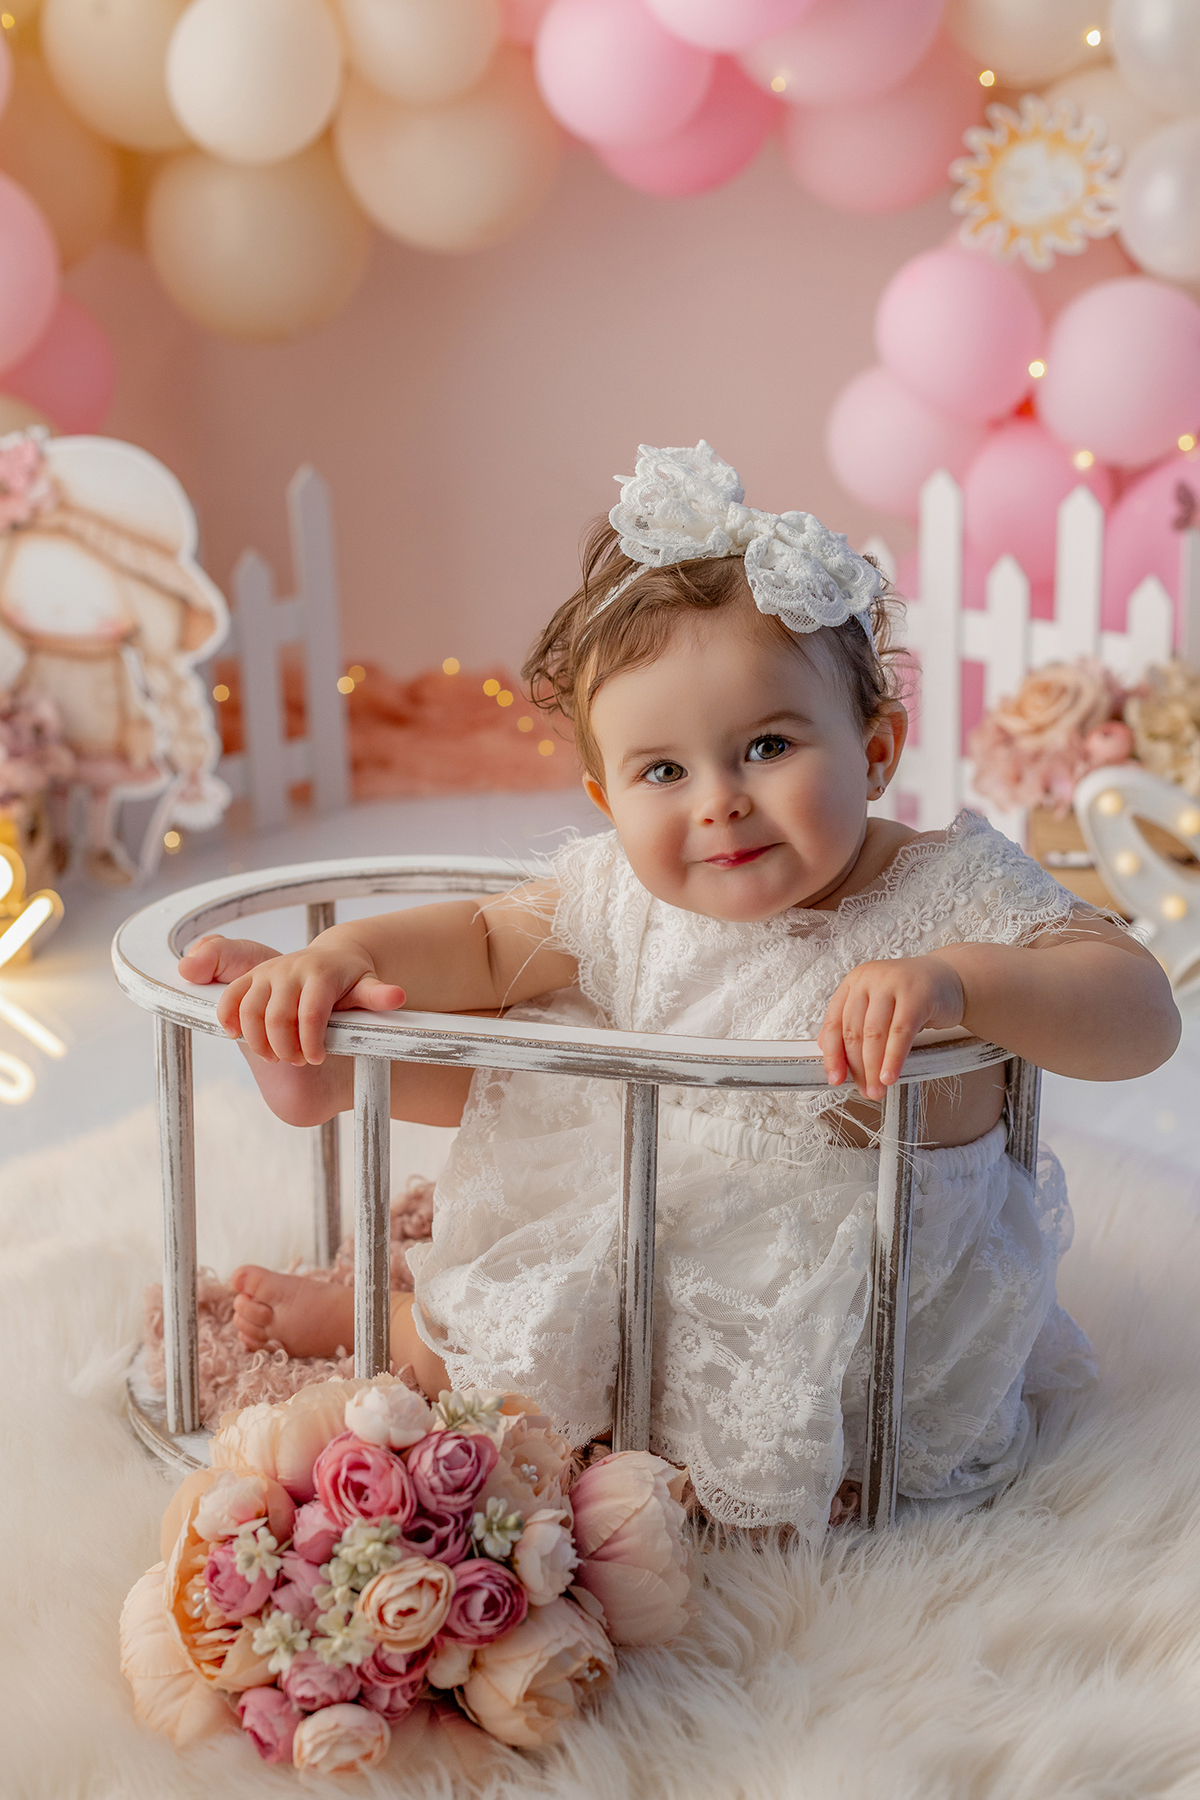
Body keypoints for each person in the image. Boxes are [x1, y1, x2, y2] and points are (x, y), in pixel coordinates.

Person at [178, 442, 1179, 1537]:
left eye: (766, 745)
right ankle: (348, 1136)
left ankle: (403, 1284)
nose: (719, 804)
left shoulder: (953, 888)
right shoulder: (624, 892)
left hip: (856, 1288)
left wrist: (963, 983)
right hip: (647, 1185)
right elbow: (477, 935)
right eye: (664, 772)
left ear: (878, 748)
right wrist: (346, 955)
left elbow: (1142, 1010)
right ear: (607, 796)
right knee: (542, 1095)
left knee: (603, 1256)